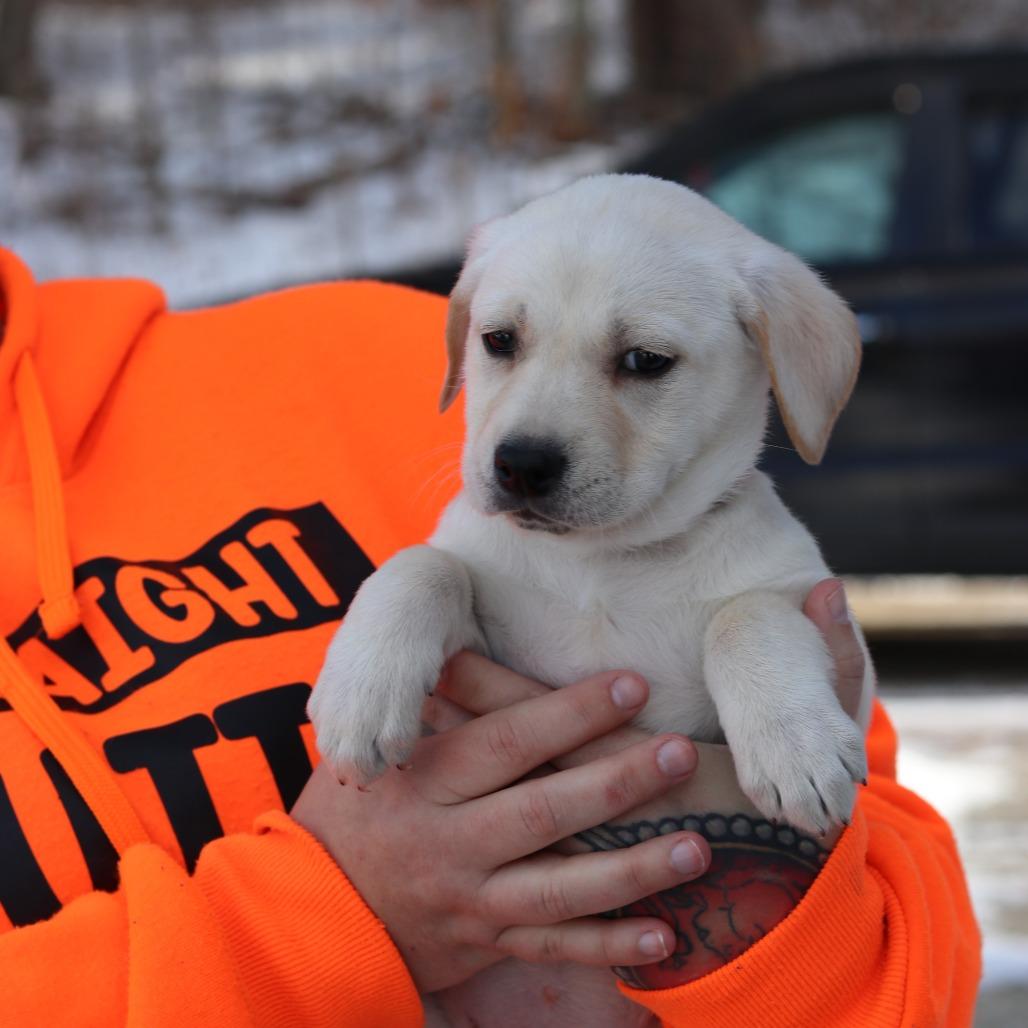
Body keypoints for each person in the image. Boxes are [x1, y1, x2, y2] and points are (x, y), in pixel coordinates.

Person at [0, 246, 979, 1025]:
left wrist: (758, 896)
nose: (529, 424)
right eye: (503, 345)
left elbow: (907, 965)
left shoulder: (373, 357)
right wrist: (325, 922)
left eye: (637, 363)